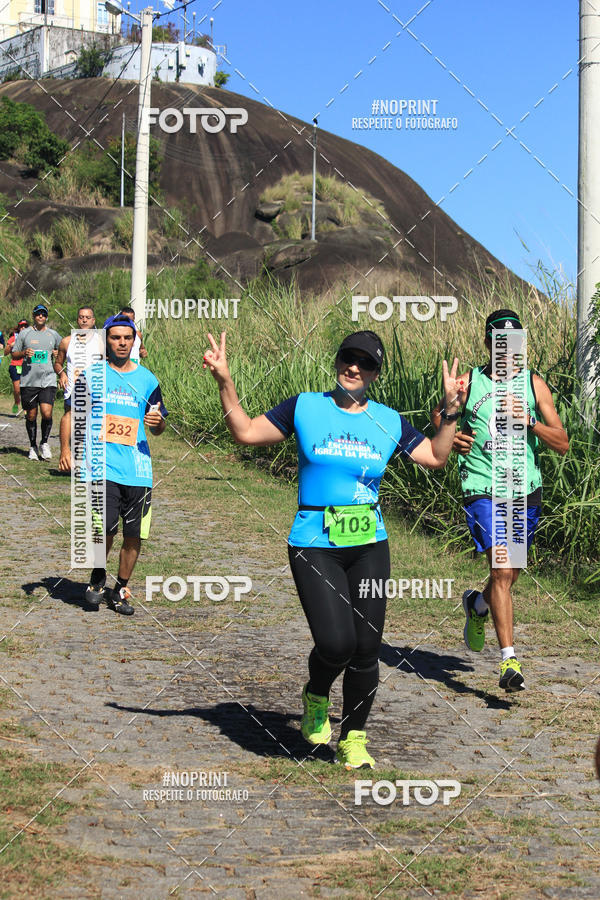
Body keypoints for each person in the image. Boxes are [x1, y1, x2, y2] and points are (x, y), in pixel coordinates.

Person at [203, 329, 464, 769]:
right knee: (336, 643)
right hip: (314, 543)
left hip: (369, 545)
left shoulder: (388, 420)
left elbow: (436, 457)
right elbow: (245, 432)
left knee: (366, 647)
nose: (354, 367)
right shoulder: (305, 406)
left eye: (366, 363)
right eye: (348, 357)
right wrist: (224, 380)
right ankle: (317, 692)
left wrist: (451, 412)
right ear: (337, 360)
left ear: (376, 373)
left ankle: (353, 738)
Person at [432, 309, 569, 692]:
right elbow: (441, 414)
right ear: (488, 344)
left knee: (509, 575)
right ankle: (509, 661)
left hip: (523, 489)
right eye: (500, 344)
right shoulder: (469, 381)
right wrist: (452, 434)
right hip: (482, 486)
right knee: (502, 569)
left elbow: (562, 442)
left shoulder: (534, 384)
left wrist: (531, 422)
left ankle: (477, 605)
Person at [79, 314, 167, 616]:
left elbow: (159, 423)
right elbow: (73, 414)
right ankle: (98, 576)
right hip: (102, 466)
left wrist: (158, 423)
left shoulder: (148, 380)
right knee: (104, 527)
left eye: (127, 338)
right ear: (107, 341)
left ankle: (120, 591)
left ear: (134, 341)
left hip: (138, 469)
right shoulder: (92, 375)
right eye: (115, 338)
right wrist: (68, 450)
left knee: (134, 535)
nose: (122, 343)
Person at [54, 306, 101, 472]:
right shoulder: (67, 341)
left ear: (93, 321)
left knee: (89, 427)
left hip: (96, 387)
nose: (84, 320)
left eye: (88, 317)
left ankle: (86, 461)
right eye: (81, 317)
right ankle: (65, 453)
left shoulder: (101, 342)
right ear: (77, 320)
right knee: (71, 417)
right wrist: (61, 374)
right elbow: (58, 363)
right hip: (74, 386)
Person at [12, 305, 61, 460]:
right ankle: (32, 446)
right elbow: (14, 354)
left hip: (48, 380)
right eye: (38, 314)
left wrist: (58, 353)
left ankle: (44, 443)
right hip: (29, 381)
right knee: (31, 415)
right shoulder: (25, 333)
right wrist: (24, 353)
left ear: (46, 317)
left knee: (47, 413)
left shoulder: (53, 334)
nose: (41, 316)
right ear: (34, 316)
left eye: (43, 314)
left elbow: (64, 351)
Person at [4, 320, 28, 414]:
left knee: (26, 390)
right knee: (17, 390)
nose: (23, 328)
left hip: (27, 366)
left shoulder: (31, 338)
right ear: (18, 327)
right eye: (21, 326)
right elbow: (5, 353)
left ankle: (26, 410)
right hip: (15, 366)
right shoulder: (13, 338)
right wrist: (11, 345)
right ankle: (16, 402)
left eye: (25, 326)